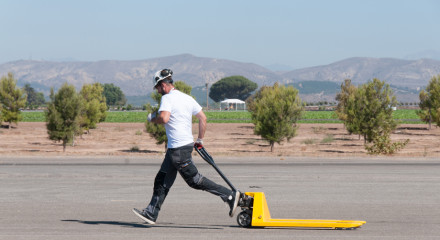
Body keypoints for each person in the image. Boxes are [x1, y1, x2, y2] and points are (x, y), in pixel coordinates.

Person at [132, 69, 240, 224]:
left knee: (194, 180)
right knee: (161, 179)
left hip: (178, 149)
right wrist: (200, 139)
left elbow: (164, 118)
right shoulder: (187, 98)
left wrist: (152, 118)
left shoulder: (168, 98)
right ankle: (151, 213)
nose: (157, 90)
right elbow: (203, 118)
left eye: (157, 87)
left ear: (163, 85)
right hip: (180, 147)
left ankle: (229, 195)